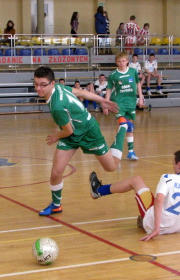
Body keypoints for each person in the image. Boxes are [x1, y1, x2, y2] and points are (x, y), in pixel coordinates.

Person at [34, 66, 130, 216]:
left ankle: (123, 128)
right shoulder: (56, 89)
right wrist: (102, 100)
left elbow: (68, 130)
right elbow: (80, 93)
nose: (38, 88)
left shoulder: (57, 106)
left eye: (42, 85)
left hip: (88, 131)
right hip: (72, 134)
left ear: (52, 83)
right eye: (36, 84)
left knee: (111, 167)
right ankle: (56, 205)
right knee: (56, 172)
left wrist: (56, 136)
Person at [104, 51, 144, 161]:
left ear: (127, 61)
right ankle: (117, 151)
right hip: (118, 102)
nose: (121, 63)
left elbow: (138, 85)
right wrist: (106, 104)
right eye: (119, 61)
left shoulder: (133, 71)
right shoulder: (113, 75)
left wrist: (140, 97)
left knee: (128, 127)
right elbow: (108, 89)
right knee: (123, 124)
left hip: (131, 102)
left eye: (123, 61)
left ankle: (131, 152)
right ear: (116, 63)